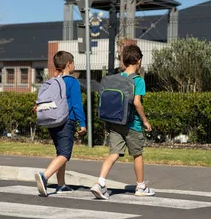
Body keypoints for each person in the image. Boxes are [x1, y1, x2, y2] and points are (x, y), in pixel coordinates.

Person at [90, 45, 154, 200]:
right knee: (137, 154)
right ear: (138, 61)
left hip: (115, 123)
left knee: (113, 154)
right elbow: (137, 103)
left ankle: (100, 183)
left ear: (124, 61)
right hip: (133, 124)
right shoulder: (138, 81)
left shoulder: (114, 79)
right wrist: (145, 120)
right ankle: (140, 186)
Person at [34, 51, 86, 197]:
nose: (74, 65)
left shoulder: (53, 80)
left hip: (52, 121)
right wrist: (82, 123)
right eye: (73, 62)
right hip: (66, 121)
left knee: (60, 152)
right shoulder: (72, 82)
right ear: (68, 64)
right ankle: (44, 176)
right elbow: (77, 104)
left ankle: (61, 184)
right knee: (65, 154)